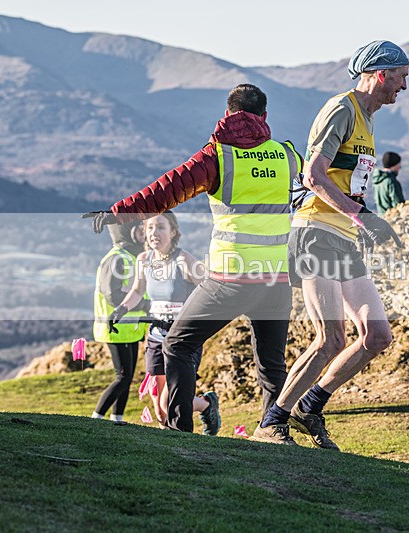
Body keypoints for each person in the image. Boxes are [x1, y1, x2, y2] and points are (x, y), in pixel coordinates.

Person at [83, 84, 303, 433]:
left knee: (177, 345)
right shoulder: (288, 155)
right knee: (272, 362)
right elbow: (316, 190)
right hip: (275, 278)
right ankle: (274, 430)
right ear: (264, 117)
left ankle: (179, 429)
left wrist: (119, 213)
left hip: (231, 277)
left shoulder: (219, 156)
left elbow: (168, 190)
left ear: (229, 113)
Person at [253, 40, 407, 449]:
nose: (404, 87)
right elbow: (313, 176)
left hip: (344, 236)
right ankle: (272, 422)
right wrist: (364, 217)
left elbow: (346, 182)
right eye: (402, 77)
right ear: (380, 74)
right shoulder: (341, 107)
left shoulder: (369, 119)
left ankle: (310, 406)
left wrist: (369, 220)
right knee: (330, 338)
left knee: (377, 336)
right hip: (315, 233)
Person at [107, 210, 220, 435]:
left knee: (169, 401)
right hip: (156, 336)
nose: (153, 233)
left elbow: (211, 288)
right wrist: (121, 310)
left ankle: (206, 407)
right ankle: (199, 410)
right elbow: (138, 290)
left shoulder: (183, 259)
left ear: (173, 232)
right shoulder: (144, 260)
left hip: (183, 337)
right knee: (160, 411)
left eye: (160, 227)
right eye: (149, 228)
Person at [90, 221, 148, 423]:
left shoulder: (132, 258)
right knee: (122, 377)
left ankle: (117, 419)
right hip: (115, 329)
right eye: (139, 231)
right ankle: (96, 417)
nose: (144, 234)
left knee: (127, 378)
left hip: (130, 329)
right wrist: (146, 306)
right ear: (127, 233)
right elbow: (112, 296)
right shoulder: (116, 259)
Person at [372, 151, 406, 215]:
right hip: (392, 219)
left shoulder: (376, 181)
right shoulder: (391, 182)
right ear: (394, 164)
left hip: (381, 219)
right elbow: (398, 205)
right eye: (398, 164)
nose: (400, 167)